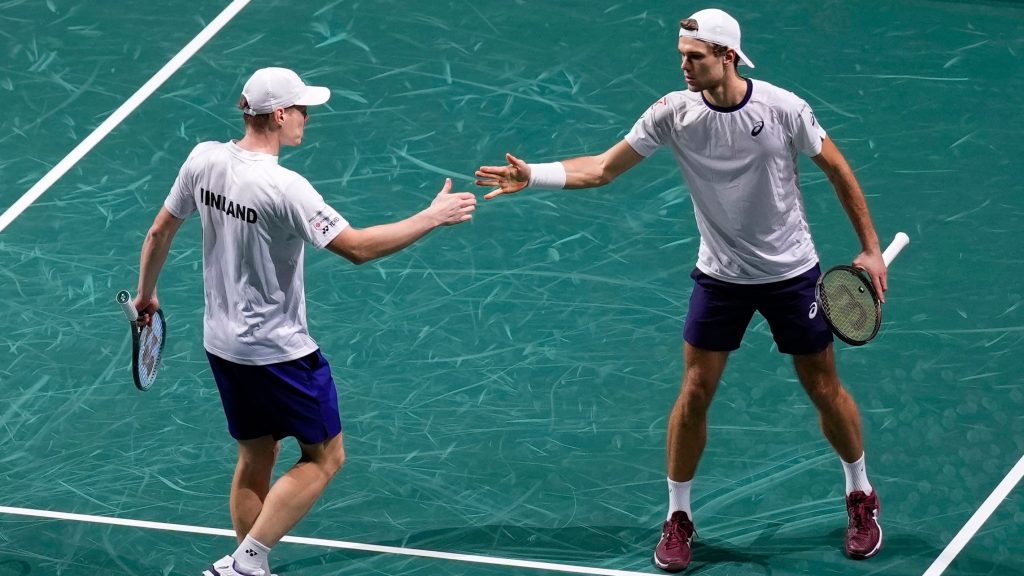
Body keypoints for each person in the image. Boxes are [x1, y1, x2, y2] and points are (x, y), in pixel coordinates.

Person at [475, 8, 885, 572]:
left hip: (792, 273)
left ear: (727, 56)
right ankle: (678, 515)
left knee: (823, 387)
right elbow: (601, 168)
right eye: (680, 56)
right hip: (720, 276)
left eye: (695, 56)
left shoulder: (783, 108)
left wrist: (868, 248)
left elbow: (838, 169)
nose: (684, 66)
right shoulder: (673, 112)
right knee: (694, 392)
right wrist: (534, 175)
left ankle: (860, 493)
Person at [130, 67, 476, 576]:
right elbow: (357, 248)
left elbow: (159, 232)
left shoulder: (203, 159)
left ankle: (247, 566)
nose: (307, 119)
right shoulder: (285, 187)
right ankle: (246, 562)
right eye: (302, 109)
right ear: (278, 114)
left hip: (222, 343)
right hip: (280, 351)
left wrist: (146, 295)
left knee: (255, 457)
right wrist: (432, 215)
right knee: (325, 458)